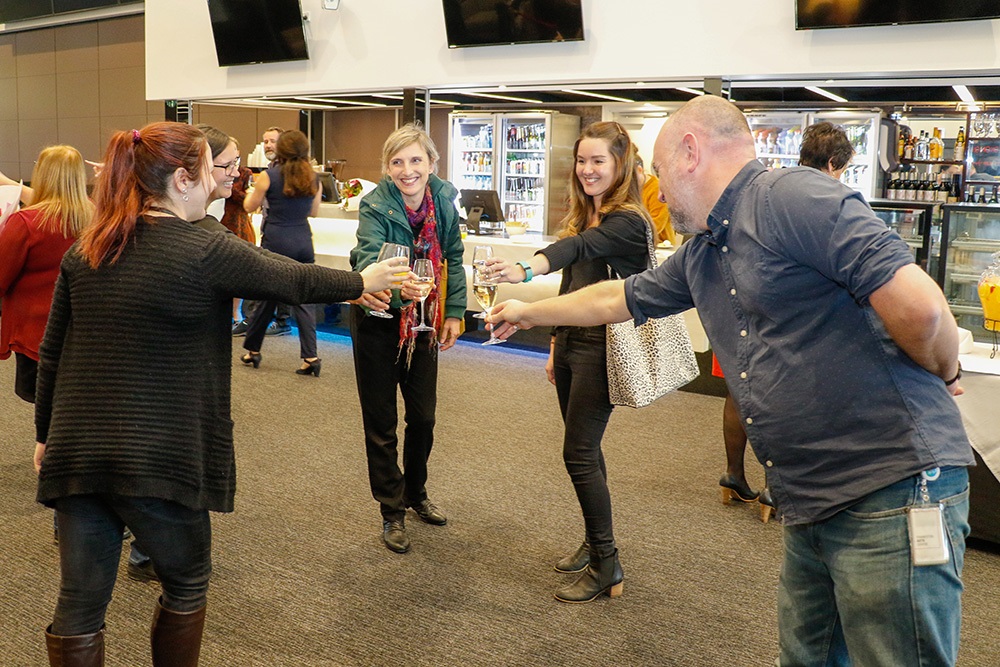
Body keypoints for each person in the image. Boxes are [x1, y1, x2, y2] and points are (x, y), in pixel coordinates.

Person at [488, 95, 973, 665]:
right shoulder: (705, 250)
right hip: (810, 495)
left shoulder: (793, 198)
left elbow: (923, 311)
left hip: (889, 487)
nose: (659, 191)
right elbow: (617, 297)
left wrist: (947, 370)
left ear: (691, 153)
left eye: (661, 173)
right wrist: (525, 310)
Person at [34, 121, 406, 665]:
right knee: (185, 584)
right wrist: (362, 281)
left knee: (80, 605)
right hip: (160, 453)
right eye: (212, 167)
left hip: (77, 449)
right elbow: (293, 280)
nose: (225, 176)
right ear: (183, 179)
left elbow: (53, 353)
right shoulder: (202, 247)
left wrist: (46, 436)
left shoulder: (88, 248)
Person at [485, 121, 649, 603]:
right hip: (575, 345)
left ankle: (608, 563)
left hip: (606, 349)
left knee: (577, 453)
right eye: (582, 161)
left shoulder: (628, 222)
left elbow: (574, 252)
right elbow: (573, 284)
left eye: (599, 161)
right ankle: (594, 541)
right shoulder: (587, 215)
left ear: (620, 165)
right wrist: (556, 342)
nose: (587, 170)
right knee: (586, 452)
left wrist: (523, 268)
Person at [349, 123, 467, 555]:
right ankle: (391, 509)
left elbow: (453, 255)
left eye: (416, 160)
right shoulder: (375, 206)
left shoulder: (445, 202)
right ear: (387, 167)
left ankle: (416, 493)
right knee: (381, 424)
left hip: (424, 323)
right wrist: (401, 291)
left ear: (431, 163)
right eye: (397, 162)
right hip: (379, 319)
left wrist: (453, 311)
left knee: (423, 418)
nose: (407, 170)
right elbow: (367, 259)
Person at [0, 146, 92, 403]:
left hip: (35, 334)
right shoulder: (95, 216)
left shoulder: (25, 223)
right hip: (82, 330)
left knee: (44, 410)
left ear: (40, 173)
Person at [240, 130, 325, 376]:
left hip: (276, 243)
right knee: (304, 300)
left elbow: (249, 206)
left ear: (281, 150)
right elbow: (314, 212)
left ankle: (253, 351)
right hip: (303, 242)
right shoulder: (314, 179)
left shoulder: (268, 176)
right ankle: (310, 356)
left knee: (267, 296)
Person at [634, 151, 676, 246]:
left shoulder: (657, 189)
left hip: (660, 247)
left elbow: (656, 225)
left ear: (639, 171)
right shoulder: (628, 190)